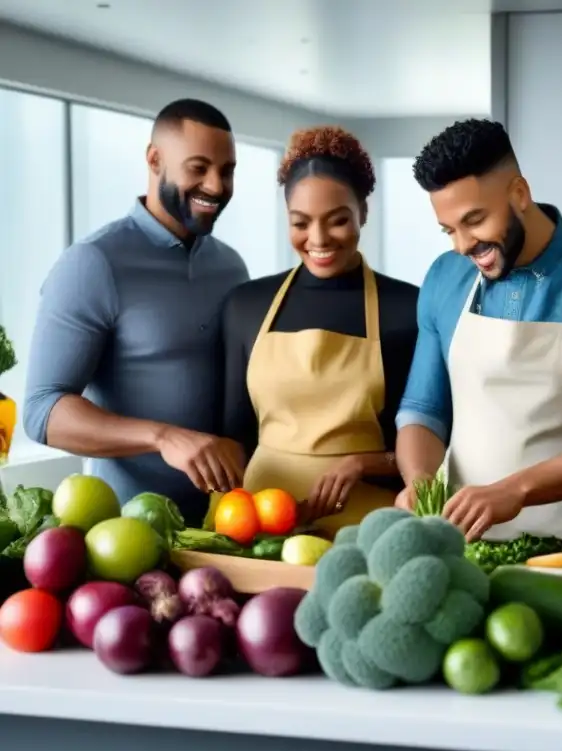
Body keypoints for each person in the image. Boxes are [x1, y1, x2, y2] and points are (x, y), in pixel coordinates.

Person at [394, 118, 562, 542]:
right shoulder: (444, 278)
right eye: (449, 230)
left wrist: (513, 491)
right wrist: (419, 484)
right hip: (462, 542)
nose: (462, 245)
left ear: (520, 194)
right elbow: (422, 411)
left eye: (475, 220)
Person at [23, 98, 249, 525]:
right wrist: (161, 437)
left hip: (227, 526)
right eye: (198, 168)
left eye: (227, 170)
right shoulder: (92, 263)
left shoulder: (232, 267)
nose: (217, 186)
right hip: (126, 531)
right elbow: (41, 411)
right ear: (154, 159)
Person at [221, 126, 418, 537]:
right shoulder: (245, 305)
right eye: (300, 223)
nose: (318, 239)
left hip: (367, 531)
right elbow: (234, 437)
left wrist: (361, 463)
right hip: (259, 527)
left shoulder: (407, 309)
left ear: (363, 211)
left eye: (338, 220)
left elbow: (433, 448)